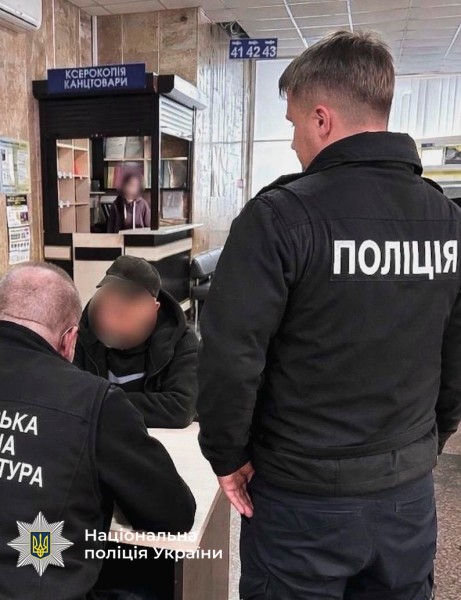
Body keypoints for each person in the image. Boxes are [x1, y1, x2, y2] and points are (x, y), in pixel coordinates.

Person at [197, 30, 461, 600]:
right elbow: (455, 351)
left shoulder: (279, 217)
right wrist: (426, 444)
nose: (294, 141)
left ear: (322, 119)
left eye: (294, 123)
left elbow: (231, 357)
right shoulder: (446, 220)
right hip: (406, 494)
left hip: (302, 499)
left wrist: (227, 454)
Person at [0, 262, 196, 600]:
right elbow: (174, 513)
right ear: (69, 339)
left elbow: (180, 406)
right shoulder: (94, 400)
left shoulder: (180, 342)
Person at [75, 255, 198, 428]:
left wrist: (99, 403)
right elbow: (70, 395)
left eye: (130, 301)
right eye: (113, 299)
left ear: (154, 308)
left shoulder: (182, 341)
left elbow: (181, 408)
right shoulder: (83, 335)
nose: (118, 313)